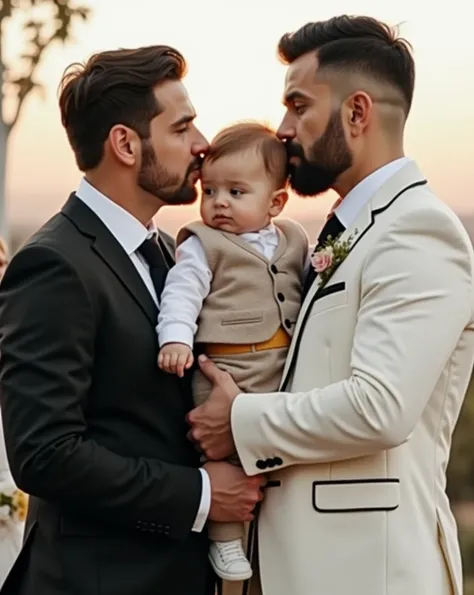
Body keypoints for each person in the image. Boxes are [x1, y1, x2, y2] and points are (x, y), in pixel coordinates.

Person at [187, 15, 474, 595]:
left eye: (298, 105)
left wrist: (238, 421)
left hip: (369, 572)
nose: (284, 128)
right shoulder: (346, 230)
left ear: (357, 112)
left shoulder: (418, 229)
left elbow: (381, 407)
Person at [0, 46, 264, 595]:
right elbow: (44, 453)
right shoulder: (53, 264)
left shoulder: (171, 252)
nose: (202, 145)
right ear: (125, 143)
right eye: (183, 127)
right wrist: (199, 495)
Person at [157, 122, 308, 582]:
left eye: (237, 192)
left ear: (275, 202)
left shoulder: (295, 239)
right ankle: (224, 540)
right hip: (224, 364)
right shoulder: (203, 244)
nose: (219, 202)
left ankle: (274, 538)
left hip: (279, 363)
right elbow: (182, 292)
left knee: (279, 447)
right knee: (222, 455)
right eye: (211, 190)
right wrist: (176, 338)